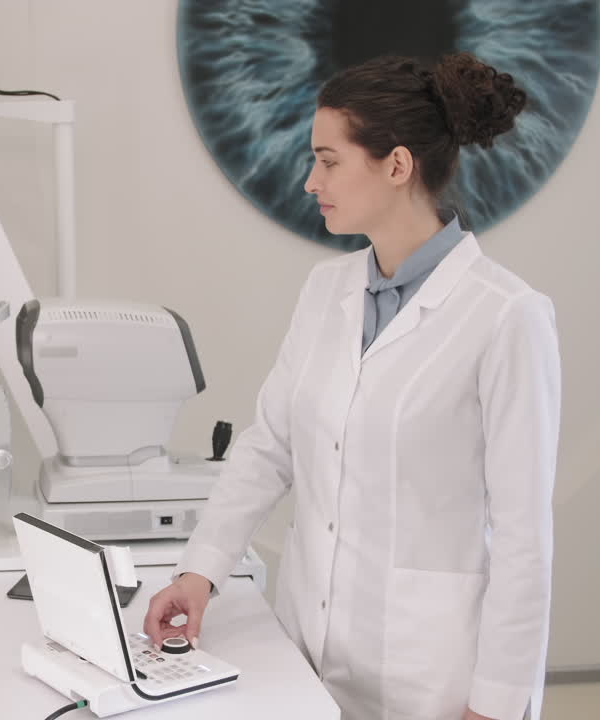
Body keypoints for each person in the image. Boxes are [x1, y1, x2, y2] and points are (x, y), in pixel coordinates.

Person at [144, 52, 559, 720]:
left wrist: (498, 703)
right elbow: (269, 446)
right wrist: (201, 570)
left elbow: (524, 538)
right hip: (309, 646)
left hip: (431, 675)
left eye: (329, 160)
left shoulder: (507, 315)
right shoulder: (325, 291)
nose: (312, 182)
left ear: (397, 165)